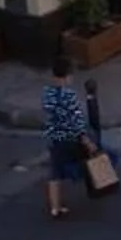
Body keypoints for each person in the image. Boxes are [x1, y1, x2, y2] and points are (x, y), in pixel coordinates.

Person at [41, 52, 91, 220]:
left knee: (55, 172)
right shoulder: (69, 95)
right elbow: (76, 120)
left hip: (54, 138)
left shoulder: (47, 93)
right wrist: (85, 139)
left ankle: (55, 208)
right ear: (68, 75)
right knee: (82, 161)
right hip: (70, 138)